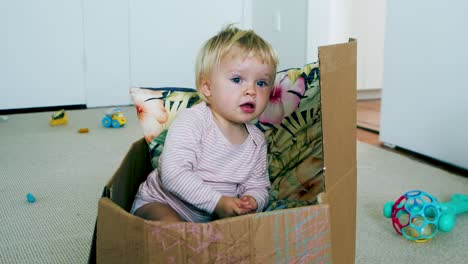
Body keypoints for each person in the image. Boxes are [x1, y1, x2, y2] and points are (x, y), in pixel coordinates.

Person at [130, 25, 278, 222]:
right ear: (207, 88)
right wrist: (217, 202)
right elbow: (173, 173)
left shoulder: (256, 141)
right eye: (237, 79)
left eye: (261, 83)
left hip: (211, 220)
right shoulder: (194, 121)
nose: (251, 90)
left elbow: (258, 184)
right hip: (164, 203)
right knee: (172, 232)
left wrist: (253, 200)